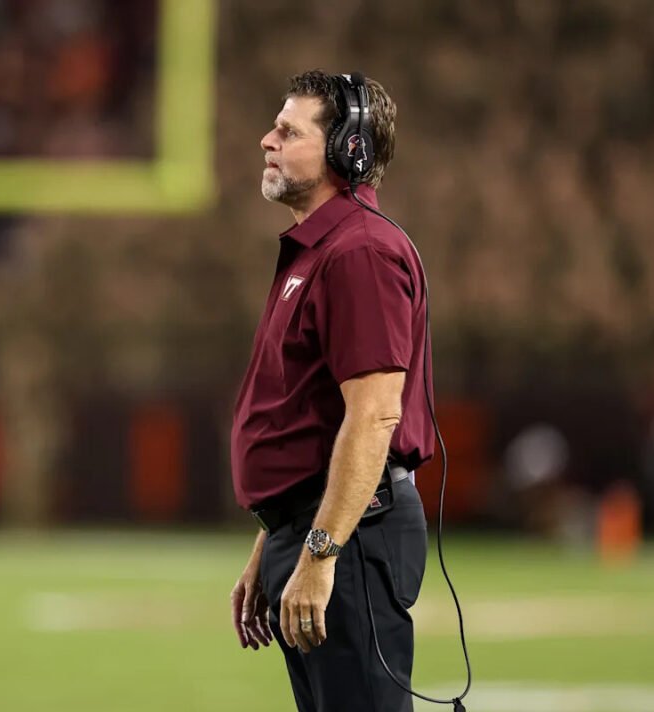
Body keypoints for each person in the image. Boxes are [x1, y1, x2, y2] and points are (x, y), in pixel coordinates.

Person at [229, 70, 434, 712]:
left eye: (289, 132)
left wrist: (319, 553)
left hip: (351, 535)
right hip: (323, 527)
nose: (267, 141)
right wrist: (273, 538)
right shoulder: (322, 250)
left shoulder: (358, 252)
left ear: (349, 149)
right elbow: (311, 421)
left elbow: (373, 417)